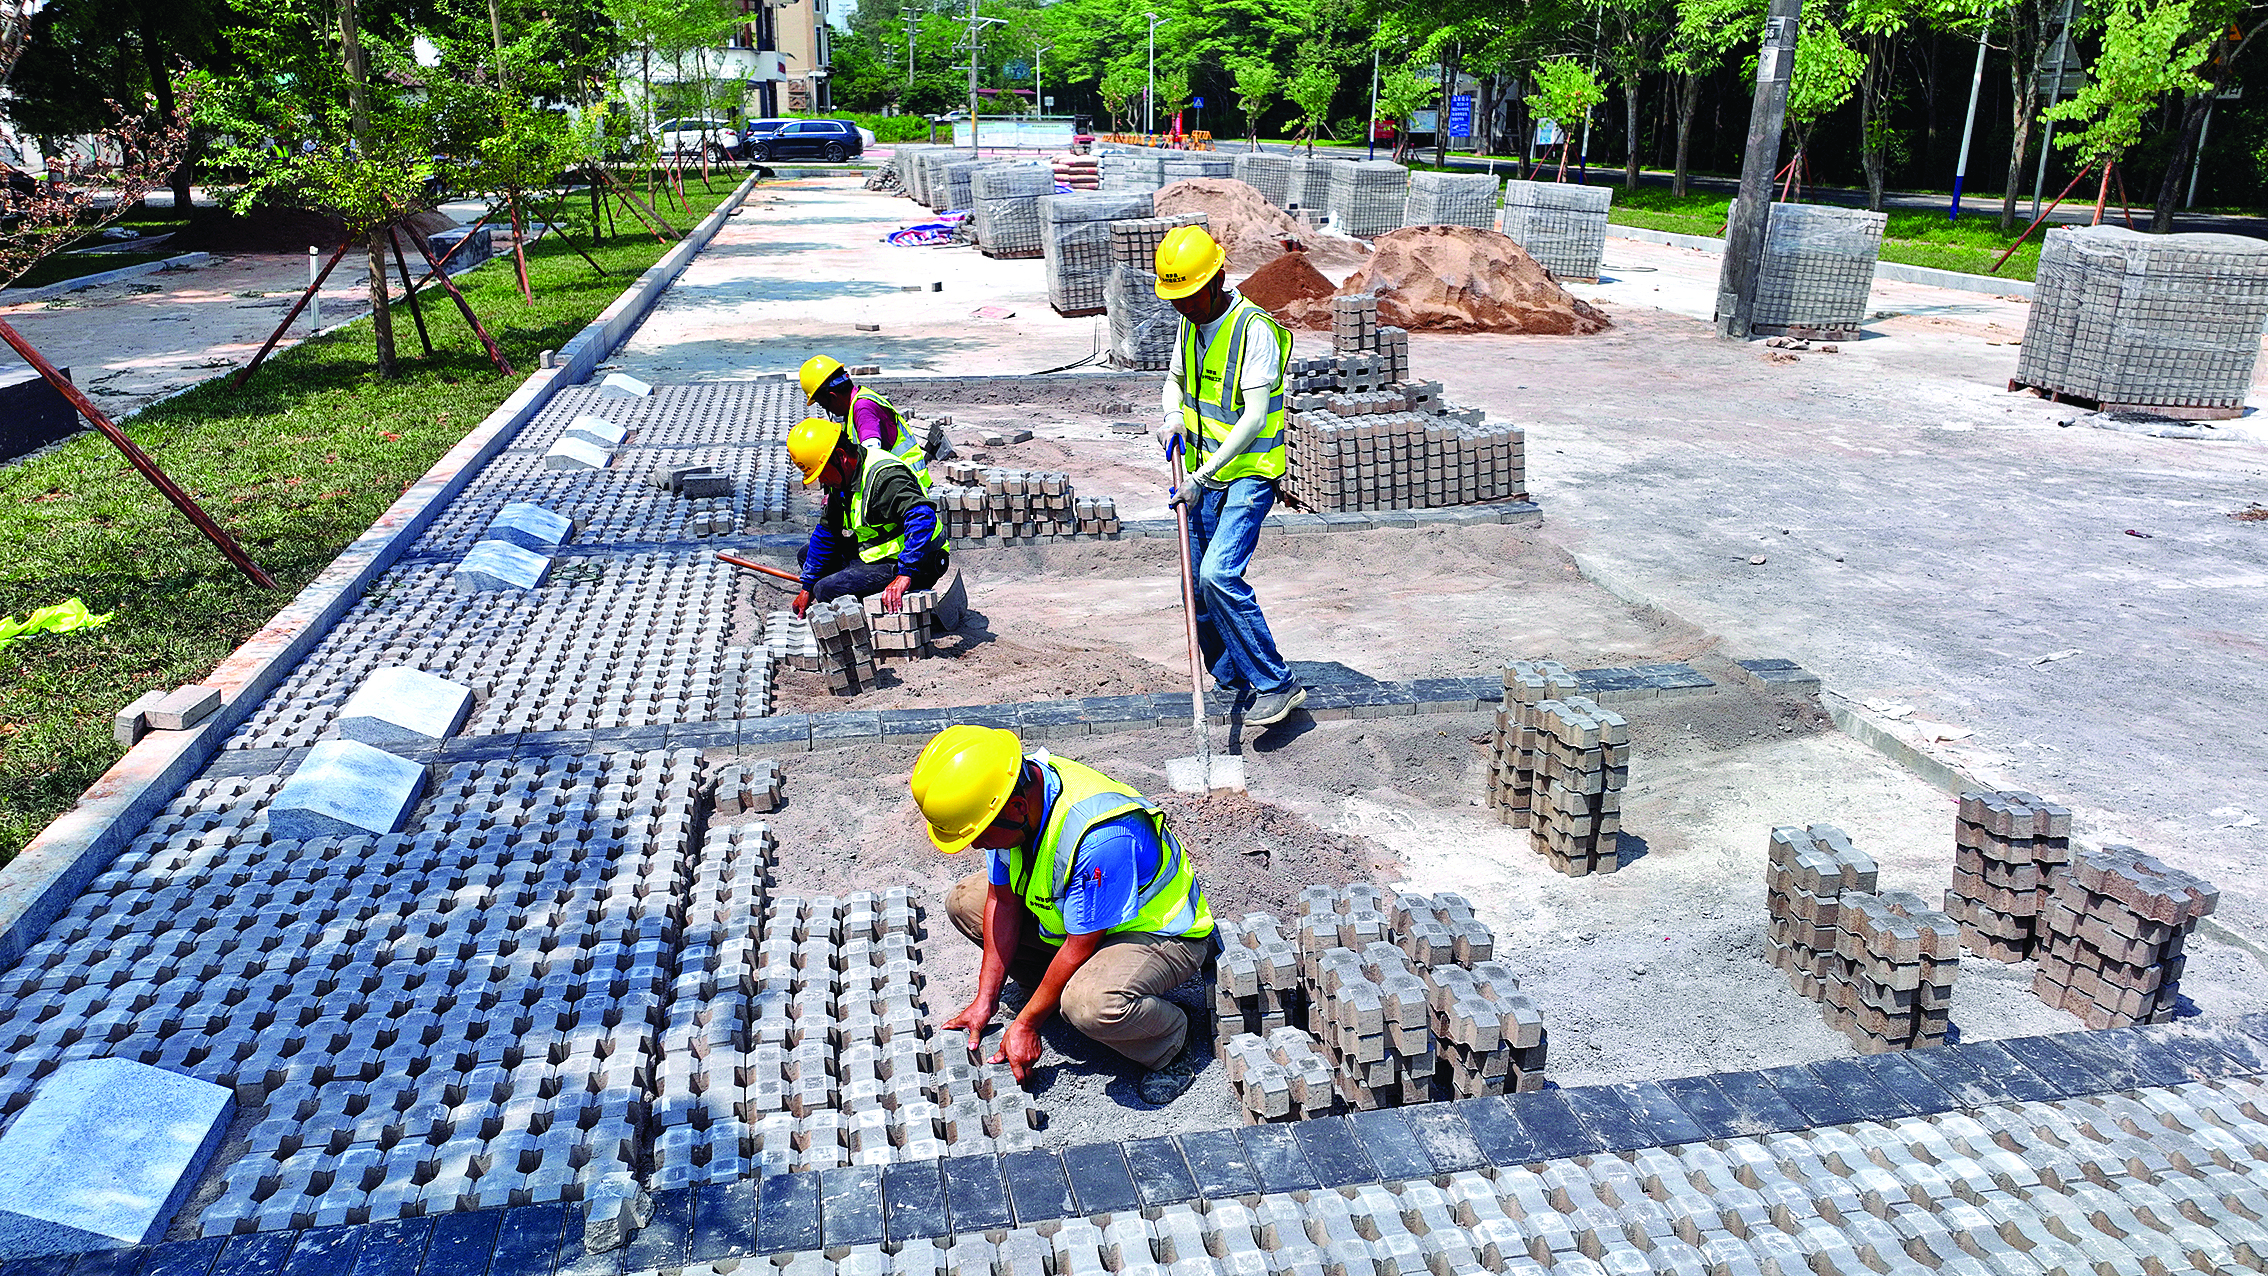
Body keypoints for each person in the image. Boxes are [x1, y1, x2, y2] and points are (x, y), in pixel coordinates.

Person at [911, 725, 1215, 1104]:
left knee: (1089, 1004)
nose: (976, 845)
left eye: (981, 835)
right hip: (1087, 921)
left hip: (1160, 932)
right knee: (964, 901)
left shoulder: (1098, 835)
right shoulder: (1006, 794)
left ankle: (1171, 1039)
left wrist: (1026, 1023)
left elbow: (1080, 944)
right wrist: (984, 1001)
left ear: (1017, 808)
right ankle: (1050, 992)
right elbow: (1002, 902)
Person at [1153, 224, 1306, 727]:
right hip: (1204, 472)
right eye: (1176, 299)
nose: (1184, 307)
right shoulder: (1189, 323)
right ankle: (1231, 678)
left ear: (1218, 279)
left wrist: (1202, 477)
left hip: (1247, 474)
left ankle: (1276, 683)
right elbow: (1175, 379)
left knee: (1218, 576)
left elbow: (1255, 417)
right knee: (1194, 588)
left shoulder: (1252, 330)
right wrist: (1172, 415)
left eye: (1191, 296)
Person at [785, 415, 949, 617]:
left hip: (920, 560)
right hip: (877, 553)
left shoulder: (884, 479)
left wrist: (905, 573)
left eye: (823, 474)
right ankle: (857, 588)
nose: (823, 481)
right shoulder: (843, 479)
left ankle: (876, 615)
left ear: (841, 456)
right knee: (806, 556)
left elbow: (923, 517)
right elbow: (826, 532)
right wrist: (806, 586)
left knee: (825, 590)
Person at [798, 354, 929, 486]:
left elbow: (871, 455)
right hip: (900, 482)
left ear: (833, 396)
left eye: (824, 405)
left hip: (908, 486)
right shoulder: (855, 404)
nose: (829, 410)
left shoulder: (863, 409)